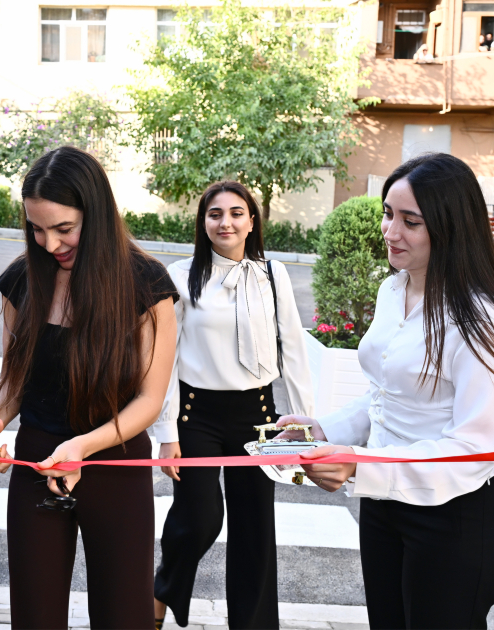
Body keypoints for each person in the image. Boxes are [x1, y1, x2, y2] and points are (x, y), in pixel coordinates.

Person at [277, 153, 494, 629]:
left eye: (410, 221)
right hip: (385, 503)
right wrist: (325, 427)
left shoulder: (481, 318)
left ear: (451, 227)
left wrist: (359, 463)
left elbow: (470, 448)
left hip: (455, 511)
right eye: (388, 214)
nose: (390, 232)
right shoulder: (393, 290)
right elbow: (384, 397)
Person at [0, 146, 178, 629]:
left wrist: (84, 447)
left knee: (123, 614)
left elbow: (150, 400)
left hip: (116, 456)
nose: (48, 244)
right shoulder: (21, 282)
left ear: (98, 214)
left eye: (64, 229)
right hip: (39, 460)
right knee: (35, 612)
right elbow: (15, 379)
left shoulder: (147, 285)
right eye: (36, 229)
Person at [152, 181, 314, 630]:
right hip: (196, 415)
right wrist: (166, 435)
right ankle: (164, 588)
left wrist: (307, 425)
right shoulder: (180, 276)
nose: (226, 222)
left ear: (252, 221)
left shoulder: (273, 274)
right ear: (203, 223)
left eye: (236, 213)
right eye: (215, 214)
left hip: (257, 417)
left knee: (255, 531)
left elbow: (294, 350)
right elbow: (163, 362)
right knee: (200, 516)